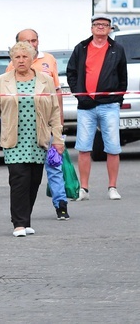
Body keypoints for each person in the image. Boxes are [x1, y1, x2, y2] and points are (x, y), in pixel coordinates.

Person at [0, 41, 64, 237]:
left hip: (38, 139)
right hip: (14, 140)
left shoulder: (45, 80)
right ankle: (18, 223)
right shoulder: (2, 80)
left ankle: (25, 220)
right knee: (19, 180)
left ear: (33, 59)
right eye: (17, 57)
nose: (21, 60)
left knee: (34, 181)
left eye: (25, 56)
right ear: (12, 60)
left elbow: (54, 112)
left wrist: (58, 139)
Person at [8, 29, 69, 220]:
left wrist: (59, 121)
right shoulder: (12, 65)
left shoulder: (49, 59)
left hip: (48, 124)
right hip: (23, 131)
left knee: (54, 166)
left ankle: (61, 204)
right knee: (25, 176)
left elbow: (56, 91)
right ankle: (21, 214)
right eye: (27, 41)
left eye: (34, 40)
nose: (32, 44)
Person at [66, 14, 127, 201]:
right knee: (84, 147)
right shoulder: (81, 48)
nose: (100, 27)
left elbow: (122, 77)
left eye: (105, 25)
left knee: (113, 148)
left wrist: (117, 98)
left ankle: (112, 187)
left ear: (110, 29)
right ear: (91, 28)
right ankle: (84, 189)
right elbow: (72, 73)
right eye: (97, 24)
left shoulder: (117, 49)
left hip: (109, 106)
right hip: (86, 106)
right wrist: (80, 95)